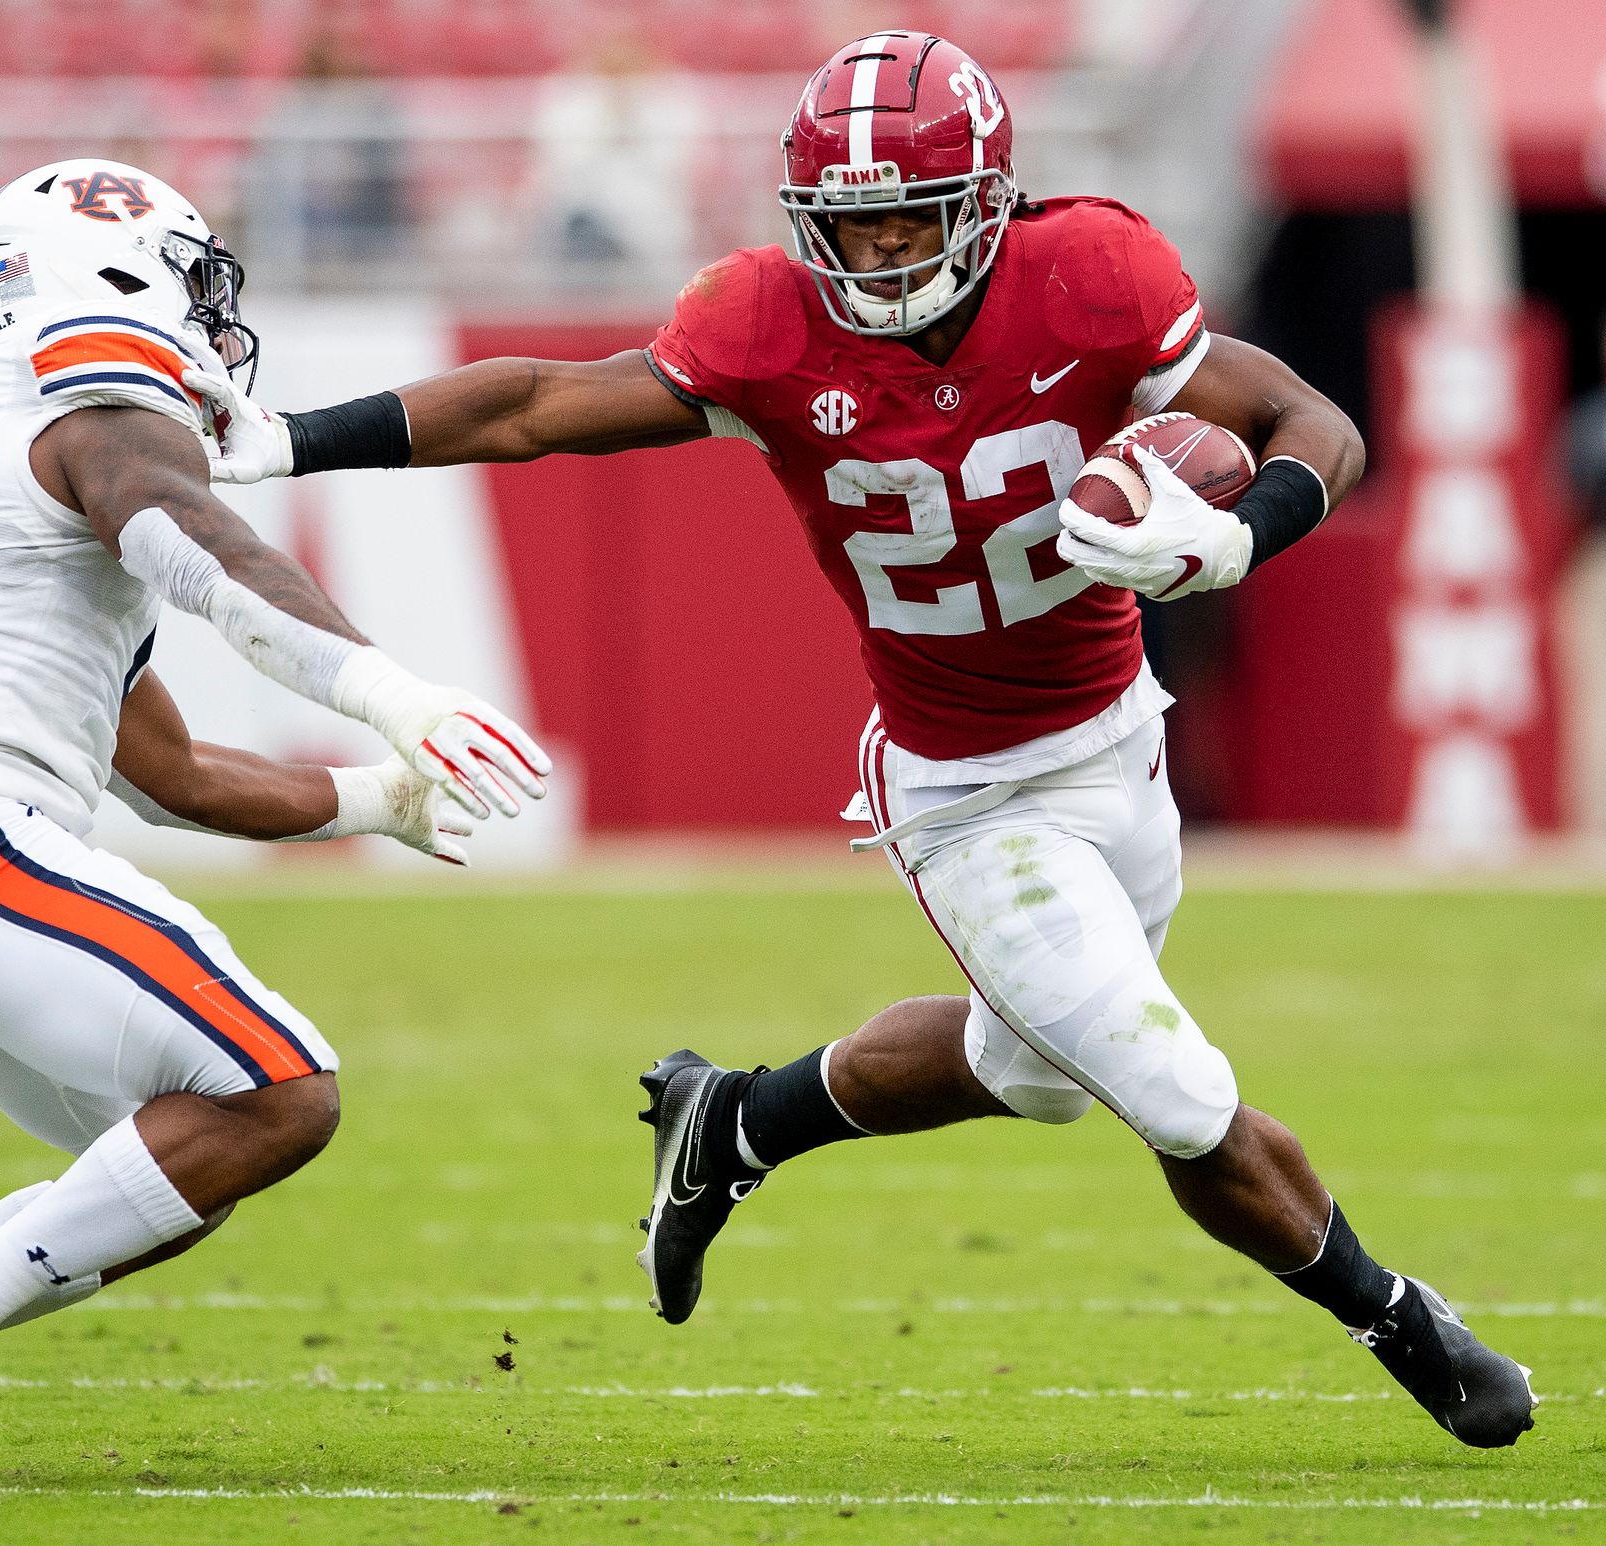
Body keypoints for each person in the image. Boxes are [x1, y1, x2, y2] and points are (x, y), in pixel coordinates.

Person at [194, 34, 1539, 1448]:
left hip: (1119, 741)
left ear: (988, 199)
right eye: (850, 223)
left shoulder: (1093, 275)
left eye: (910, 213)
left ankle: (735, 1122)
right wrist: (283, 439)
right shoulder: (769, 325)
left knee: (1031, 1071)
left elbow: (1306, 420)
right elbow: (534, 403)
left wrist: (1233, 534)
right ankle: (1408, 1325)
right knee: (1174, 1090)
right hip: (967, 797)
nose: (881, 250)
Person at [0, 158, 550, 1488]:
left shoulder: (3, 432)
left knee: (183, 1159)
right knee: (280, 1088)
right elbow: (194, 539)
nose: (216, 320)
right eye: (195, 281)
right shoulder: (81, 374)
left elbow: (166, 769)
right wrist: (389, 689)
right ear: (110, 271)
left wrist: (369, 801)